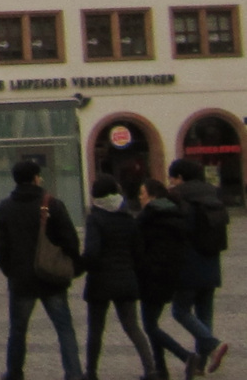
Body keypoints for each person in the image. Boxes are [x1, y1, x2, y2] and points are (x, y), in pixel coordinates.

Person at [0, 157, 84, 380]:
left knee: (18, 331)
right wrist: (70, 264)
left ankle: (14, 372)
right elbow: (70, 240)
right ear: (35, 178)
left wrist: (11, 271)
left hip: (21, 280)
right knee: (64, 329)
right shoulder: (51, 203)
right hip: (51, 277)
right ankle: (73, 373)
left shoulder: (5, 207)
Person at [80, 175, 151, 380]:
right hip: (126, 279)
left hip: (100, 282)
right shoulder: (128, 218)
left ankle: (91, 372)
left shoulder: (95, 218)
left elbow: (92, 252)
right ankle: (150, 369)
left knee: (95, 330)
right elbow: (139, 252)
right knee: (133, 327)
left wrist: (81, 265)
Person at [168, 158, 230, 373]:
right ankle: (202, 364)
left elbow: (176, 231)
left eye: (172, 178)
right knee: (204, 314)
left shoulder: (178, 196)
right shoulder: (214, 194)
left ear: (180, 178)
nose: (171, 182)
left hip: (187, 264)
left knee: (180, 311)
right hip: (211, 262)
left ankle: (213, 345)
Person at [137, 177, 196, 378]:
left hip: (151, 275)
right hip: (171, 274)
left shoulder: (149, 217)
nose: (139, 198)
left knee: (149, 325)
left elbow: (139, 246)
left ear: (152, 196)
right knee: (152, 322)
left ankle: (186, 356)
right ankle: (160, 369)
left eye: (142, 194)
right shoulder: (175, 213)